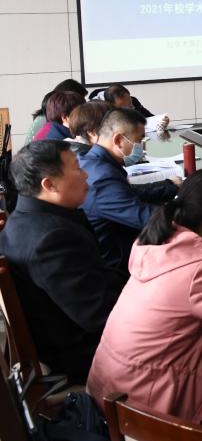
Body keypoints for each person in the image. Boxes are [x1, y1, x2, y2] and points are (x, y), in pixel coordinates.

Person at [87, 168, 202, 424]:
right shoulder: (199, 270)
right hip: (144, 412)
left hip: (113, 392)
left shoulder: (161, 244)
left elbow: (193, 290)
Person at [0, 140, 123, 384]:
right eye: (77, 168)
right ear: (49, 184)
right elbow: (99, 316)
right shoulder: (52, 239)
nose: (86, 174)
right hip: (85, 355)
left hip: (69, 336)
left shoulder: (22, 219)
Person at [80, 108, 180, 273]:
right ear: (119, 140)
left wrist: (169, 187)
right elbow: (146, 217)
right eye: (139, 139)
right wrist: (191, 211)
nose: (140, 146)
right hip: (117, 264)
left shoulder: (92, 161)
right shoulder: (103, 179)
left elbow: (129, 193)